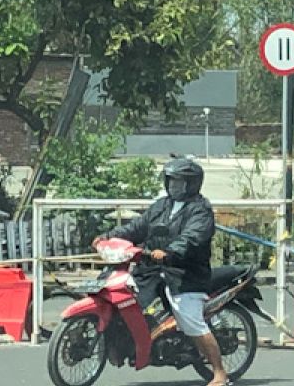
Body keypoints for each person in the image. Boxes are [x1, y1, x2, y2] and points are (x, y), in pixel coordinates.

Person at [98, 158, 229, 386]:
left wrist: (169, 251)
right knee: (126, 300)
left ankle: (219, 373)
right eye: (171, 180)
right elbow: (137, 227)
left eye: (179, 181)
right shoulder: (161, 205)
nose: (173, 185)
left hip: (184, 274)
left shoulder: (201, 210)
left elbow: (191, 238)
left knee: (190, 320)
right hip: (151, 269)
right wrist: (109, 237)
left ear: (192, 183)